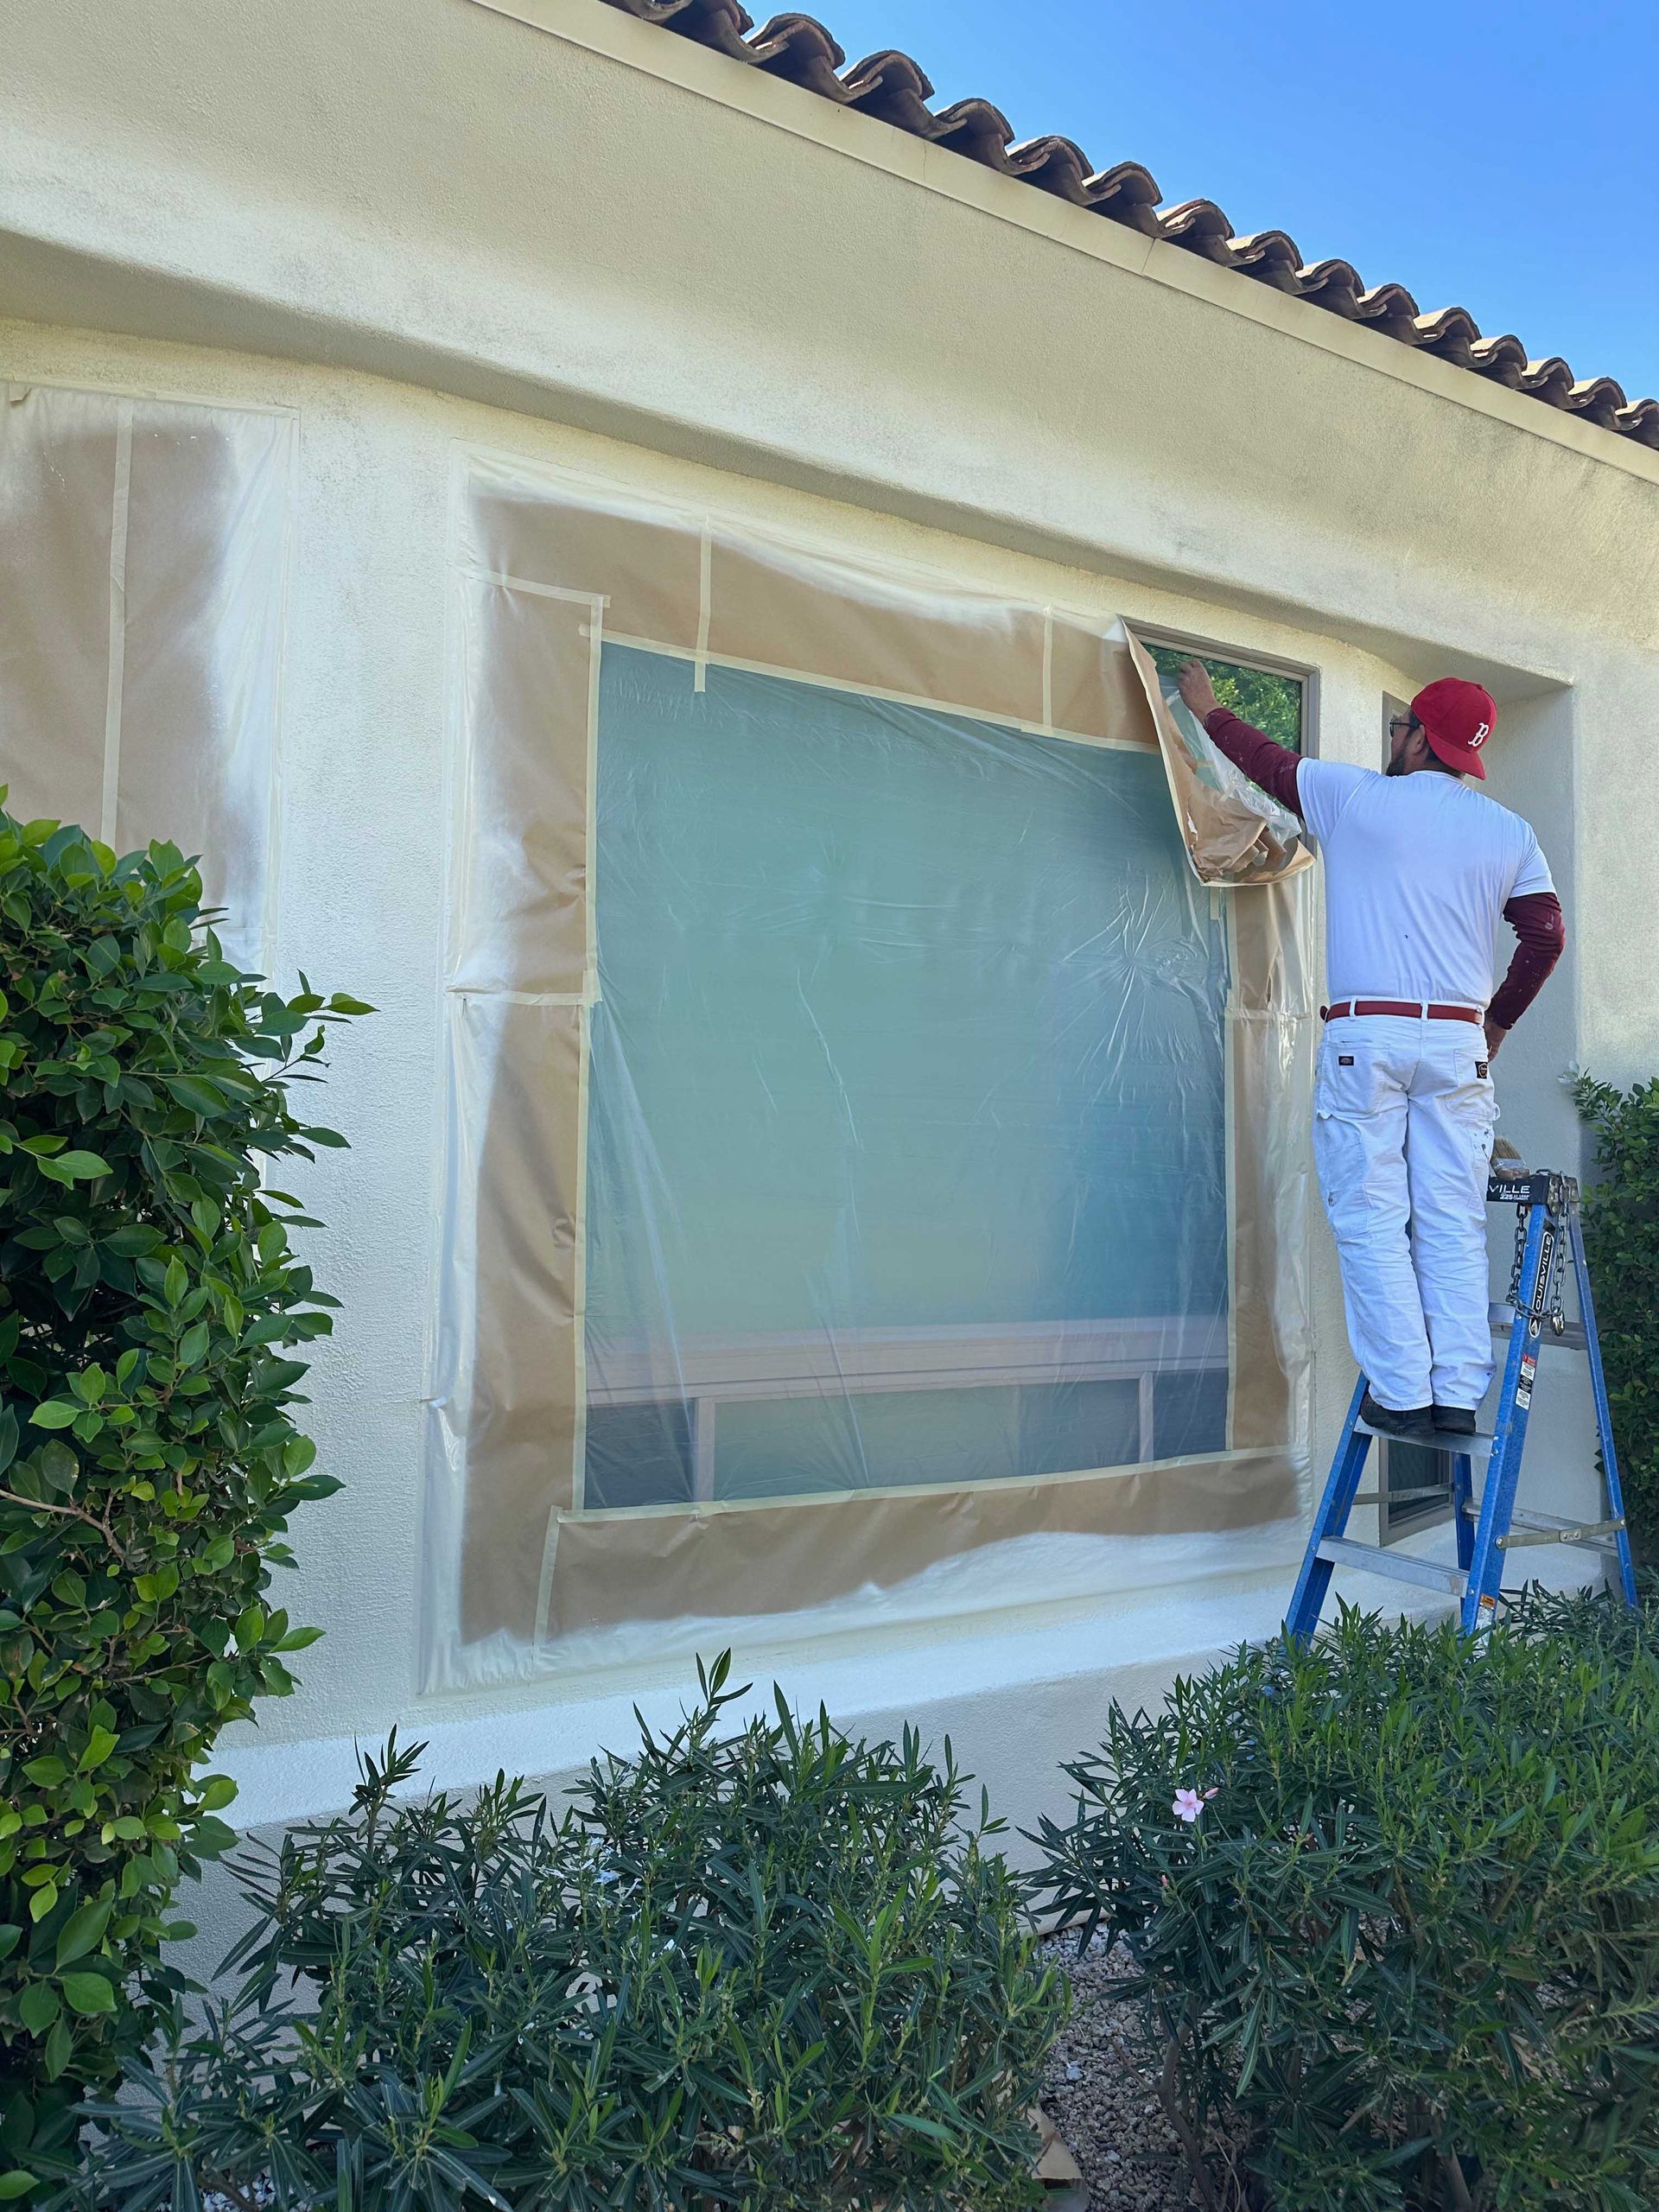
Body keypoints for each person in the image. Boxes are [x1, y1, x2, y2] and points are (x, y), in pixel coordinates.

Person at [1175, 662, 1565, 1446]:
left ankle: (1401, 1392)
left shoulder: (1355, 797)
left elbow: (1265, 762)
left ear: (1423, 740)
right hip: (1458, 1042)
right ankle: (1455, 1393)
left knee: (1372, 1218)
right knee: (1453, 1220)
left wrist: (1207, 707)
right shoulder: (1509, 832)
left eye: (1401, 726)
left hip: (1369, 1035)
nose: (1392, 735)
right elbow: (1545, 934)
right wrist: (1498, 1023)